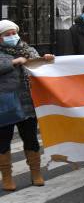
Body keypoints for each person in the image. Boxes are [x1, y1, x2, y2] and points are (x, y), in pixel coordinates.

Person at [0, 20, 54, 191]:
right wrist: (14, 62)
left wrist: (47, 60)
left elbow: (41, 68)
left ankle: (36, 173)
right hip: (5, 104)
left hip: (28, 104)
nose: (11, 36)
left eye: (13, 33)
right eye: (6, 34)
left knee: (30, 139)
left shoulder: (28, 49)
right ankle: (7, 177)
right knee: (3, 141)